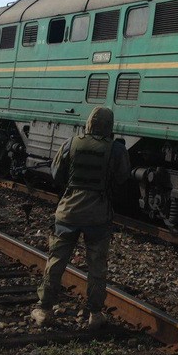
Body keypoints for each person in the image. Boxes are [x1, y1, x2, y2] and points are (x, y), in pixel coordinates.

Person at [31, 106, 131, 329]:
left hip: (68, 212)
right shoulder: (116, 150)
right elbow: (123, 178)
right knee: (97, 267)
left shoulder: (71, 143)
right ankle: (95, 314)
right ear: (109, 125)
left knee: (56, 261)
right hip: (98, 216)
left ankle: (44, 308)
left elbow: (56, 174)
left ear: (89, 122)